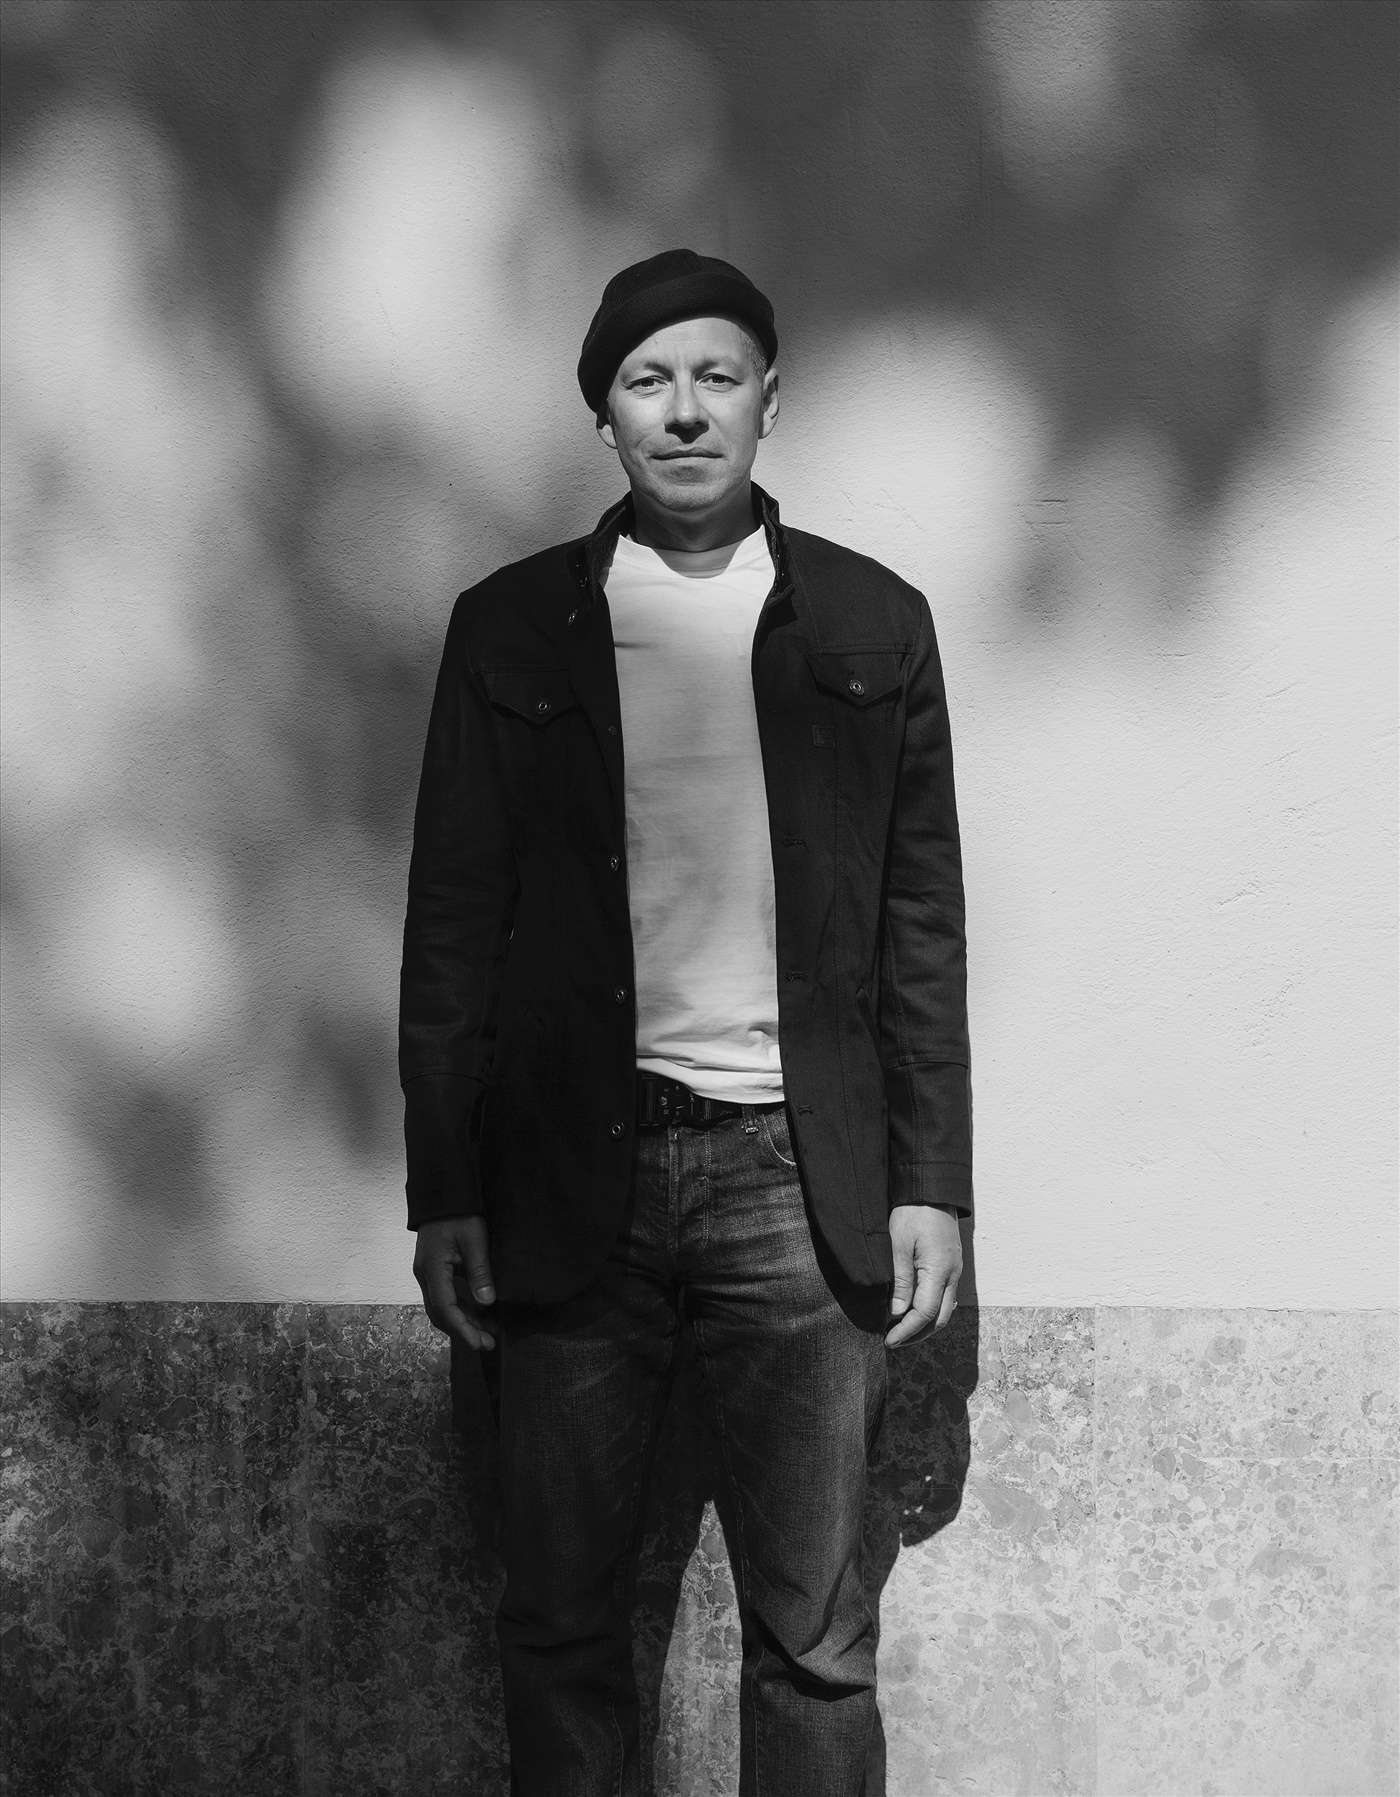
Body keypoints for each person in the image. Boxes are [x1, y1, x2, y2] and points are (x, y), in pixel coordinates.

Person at [400, 249, 972, 1797]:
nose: (686, 409)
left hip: (798, 1180)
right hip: (568, 1178)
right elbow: (453, 919)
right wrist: (445, 1183)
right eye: (647, 380)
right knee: (561, 1621)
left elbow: (919, 924)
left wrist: (931, 1177)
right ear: (604, 415)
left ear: (770, 400)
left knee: (817, 1638)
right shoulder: (513, 627)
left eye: (718, 375)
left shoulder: (873, 619)